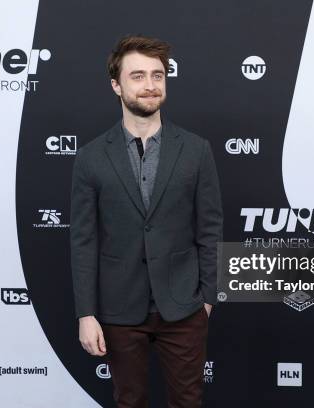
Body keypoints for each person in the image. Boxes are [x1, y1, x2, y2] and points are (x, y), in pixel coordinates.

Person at [70, 34, 223, 407]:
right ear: (116, 85)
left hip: (184, 306)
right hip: (120, 308)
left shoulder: (196, 150)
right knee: (129, 401)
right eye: (137, 76)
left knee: (188, 401)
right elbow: (84, 241)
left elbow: (210, 228)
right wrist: (86, 314)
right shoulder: (91, 157)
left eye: (158, 75)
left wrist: (207, 299)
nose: (150, 85)